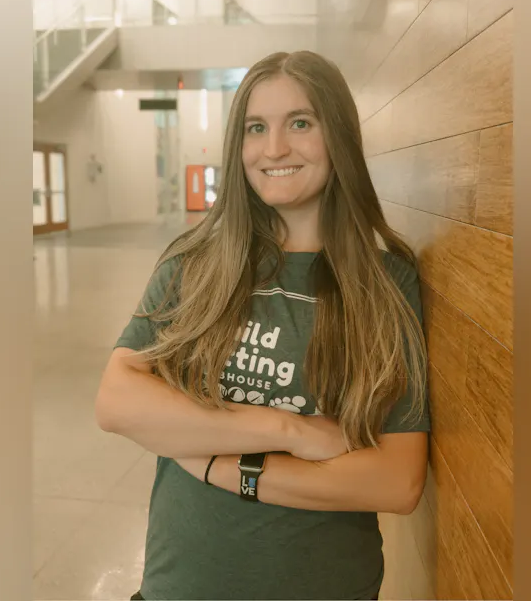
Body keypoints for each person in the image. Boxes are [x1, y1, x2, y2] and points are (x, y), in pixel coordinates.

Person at [95, 50, 430, 601]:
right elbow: (116, 401)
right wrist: (288, 431)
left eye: (300, 122)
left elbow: (397, 481)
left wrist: (219, 466)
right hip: (181, 587)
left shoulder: (386, 283)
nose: (274, 148)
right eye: (256, 127)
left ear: (338, 135)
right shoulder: (193, 264)